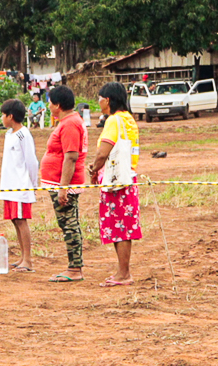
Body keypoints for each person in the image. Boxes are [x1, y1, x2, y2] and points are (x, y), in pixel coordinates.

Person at [88, 82, 142, 287]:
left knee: (118, 226)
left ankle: (124, 273)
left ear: (108, 100)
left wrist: (94, 169)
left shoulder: (113, 121)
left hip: (115, 181)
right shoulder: (129, 119)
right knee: (124, 226)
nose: (98, 102)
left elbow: (103, 152)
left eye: (100, 98)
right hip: (128, 177)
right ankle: (122, 271)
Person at [40, 84, 86, 283]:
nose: (48, 106)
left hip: (65, 182)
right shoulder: (69, 122)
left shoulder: (69, 124)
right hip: (61, 182)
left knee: (69, 223)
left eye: (50, 102)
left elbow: (71, 156)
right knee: (67, 222)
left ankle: (75, 268)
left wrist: (63, 187)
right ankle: (74, 266)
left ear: (58, 105)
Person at [0, 97, 40, 272]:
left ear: (11, 116)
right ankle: (23, 257)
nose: (2, 118)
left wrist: (32, 184)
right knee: (15, 221)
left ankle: (28, 260)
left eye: (3, 115)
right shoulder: (9, 135)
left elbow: (32, 161)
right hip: (9, 186)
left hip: (20, 186)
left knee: (22, 221)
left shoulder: (23, 135)